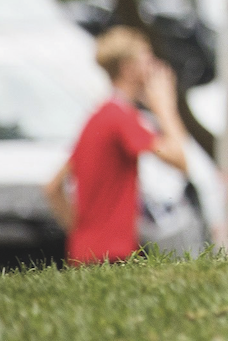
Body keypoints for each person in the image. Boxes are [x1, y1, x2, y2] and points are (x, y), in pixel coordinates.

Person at [43, 26, 190, 265]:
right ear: (128, 69)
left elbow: (53, 187)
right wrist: (165, 107)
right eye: (147, 59)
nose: (154, 68)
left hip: (83, 252)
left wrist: (83, 232)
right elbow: (180, 159)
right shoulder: (122, 118)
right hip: (113, 254)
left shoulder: (97, 117)